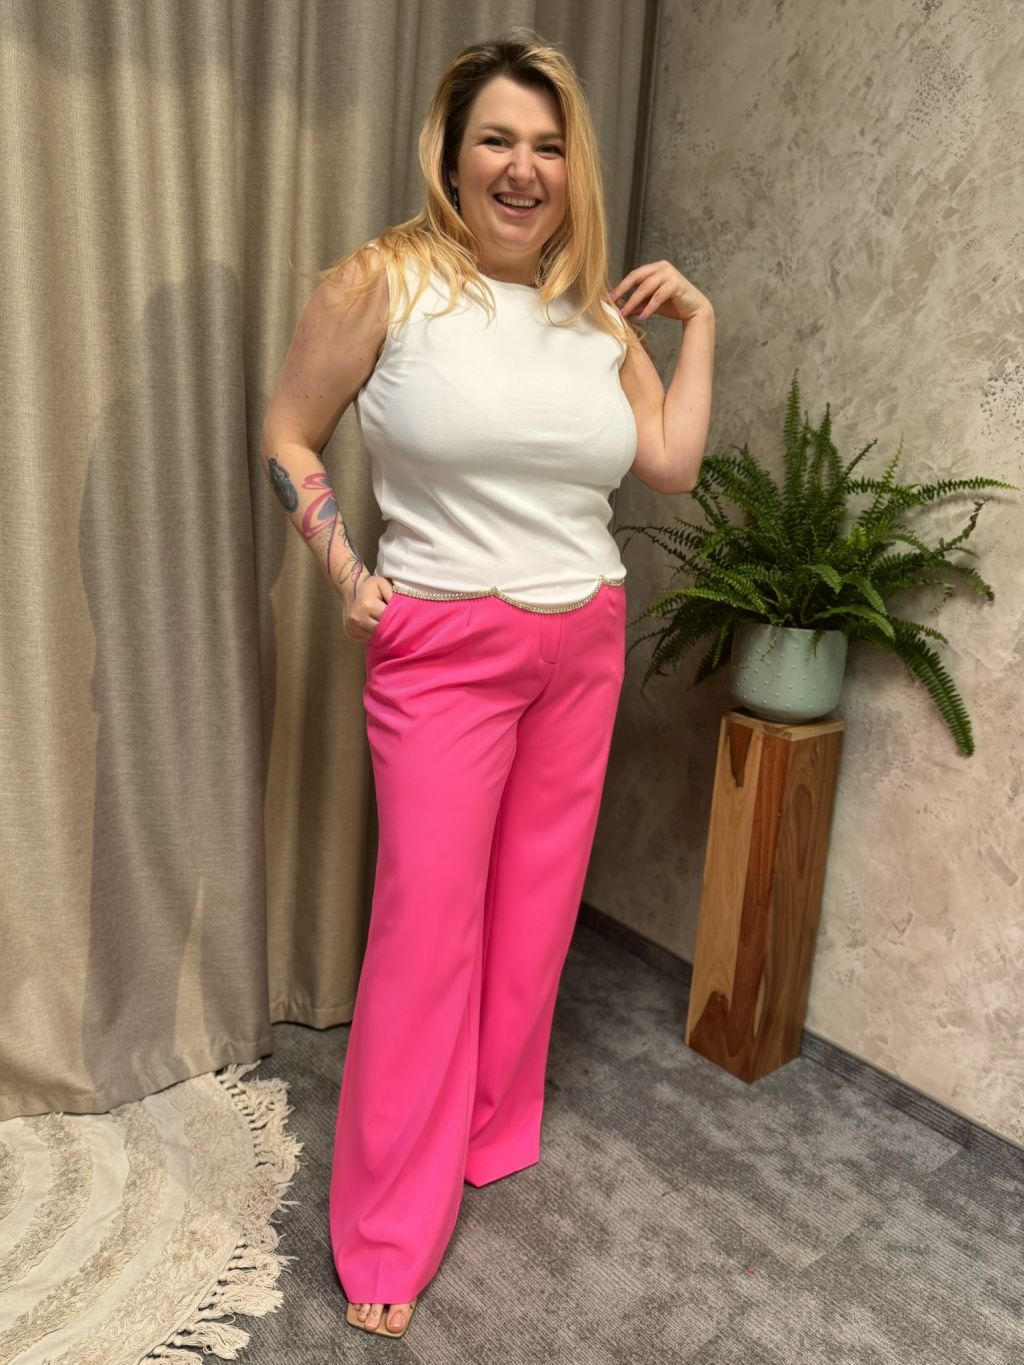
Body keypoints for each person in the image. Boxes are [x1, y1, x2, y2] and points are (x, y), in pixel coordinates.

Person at [260, 28, 714, 1341]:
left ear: (574, 167)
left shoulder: (595, 318)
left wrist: (700, 325)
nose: (524, 168)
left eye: (549, 145)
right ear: (451, 157)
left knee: (534, 913)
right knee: (427, 932)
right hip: (444, 645)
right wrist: (341, 564)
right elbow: (290, 430)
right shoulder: (382, 283)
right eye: (498, 141)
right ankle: (386, 1229)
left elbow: (670, 464)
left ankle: (486, 1127)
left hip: (585, 636)